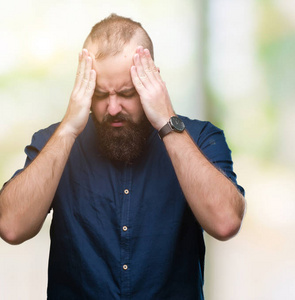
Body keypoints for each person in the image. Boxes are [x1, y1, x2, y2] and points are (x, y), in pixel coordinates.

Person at [0, 14, 245, 299]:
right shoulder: (53, 143)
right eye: (101, 94)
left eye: (127, 93)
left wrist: (167, 120)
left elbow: (226, 222)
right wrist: (68, 129)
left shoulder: (201, 139)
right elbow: (11, 227)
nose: (113, 107)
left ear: (151, 81)